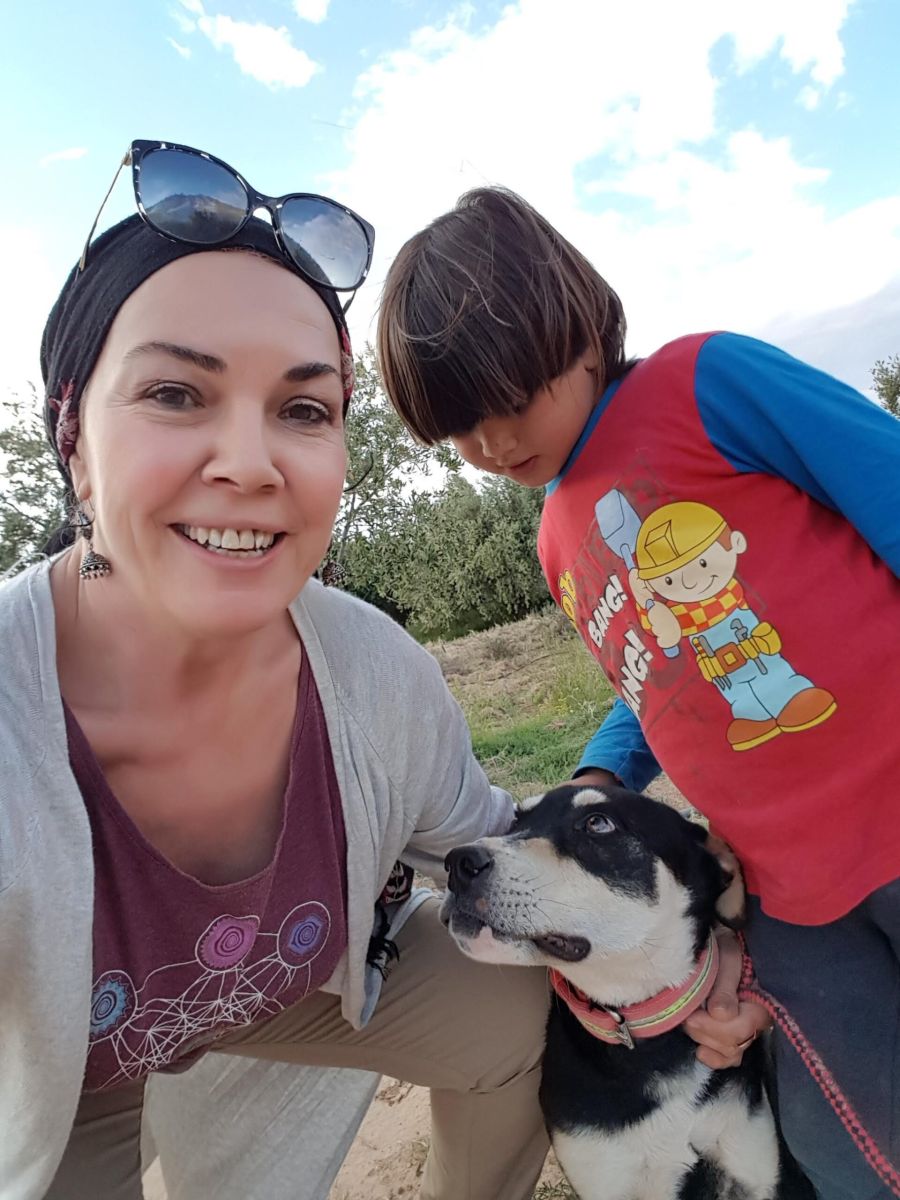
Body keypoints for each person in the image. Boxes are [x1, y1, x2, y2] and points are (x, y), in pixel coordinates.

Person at [0, 142, 559, 1200]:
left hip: (280, 999)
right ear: (71, 433)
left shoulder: (372, 671)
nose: (252, 465)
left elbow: (493, 845)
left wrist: (685, 933)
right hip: (57, 1065)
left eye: (304, 410)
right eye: (175, 393)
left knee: (533, 1000)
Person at [376, 185, 900, 1200]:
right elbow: (659, 676)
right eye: (458, 429)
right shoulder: (554, 536)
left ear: (576, 330)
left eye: (507, 400)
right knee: (845, 1151)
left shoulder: (708, 381)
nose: (490, 443)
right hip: (791, 893)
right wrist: (602, 771)